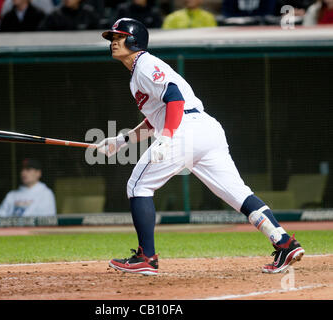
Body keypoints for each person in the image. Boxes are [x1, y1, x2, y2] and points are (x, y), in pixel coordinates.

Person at [98, 18, 305, 275]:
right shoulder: (137, 74)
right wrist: (123, 140)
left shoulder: (145, 64)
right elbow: (155, 119)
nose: (113, 42)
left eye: (118, 37)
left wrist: (168, 137)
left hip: (186, 128)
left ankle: (146, 258)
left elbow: (174, 97)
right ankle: (284, 242)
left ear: (134, 40)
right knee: (239, 194)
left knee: (139, 185)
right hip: (205, 130)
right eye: (112, 38)